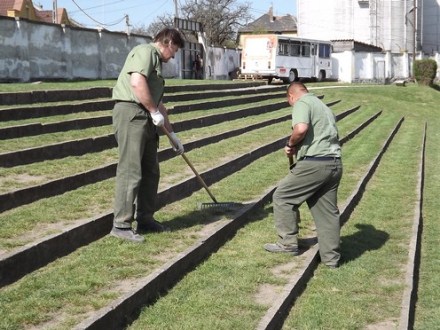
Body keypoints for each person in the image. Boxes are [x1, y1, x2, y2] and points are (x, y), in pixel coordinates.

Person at [110, 27, 185, 242]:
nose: (174, 56)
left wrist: (172, 135)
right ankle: (121, 224)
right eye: (175, 50)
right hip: (132, 113)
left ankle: (145, 218)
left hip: (146, 114)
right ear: (169, 42)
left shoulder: (156, 62)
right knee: (131, 168)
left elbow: (158, 102)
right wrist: (152, 111)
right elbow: (137, 82)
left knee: (150, 170)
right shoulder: (145, 52)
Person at [264, 82, 343, 268]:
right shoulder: (323, 106)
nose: (291, 105)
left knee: (282, 196)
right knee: (327, 213)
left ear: (291, 96)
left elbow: (300, 129)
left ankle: (287, 243)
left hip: (314, 163)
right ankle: (331, 260)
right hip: (334, 163)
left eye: (289, 102)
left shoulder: (302, 103)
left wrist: (291, 145)